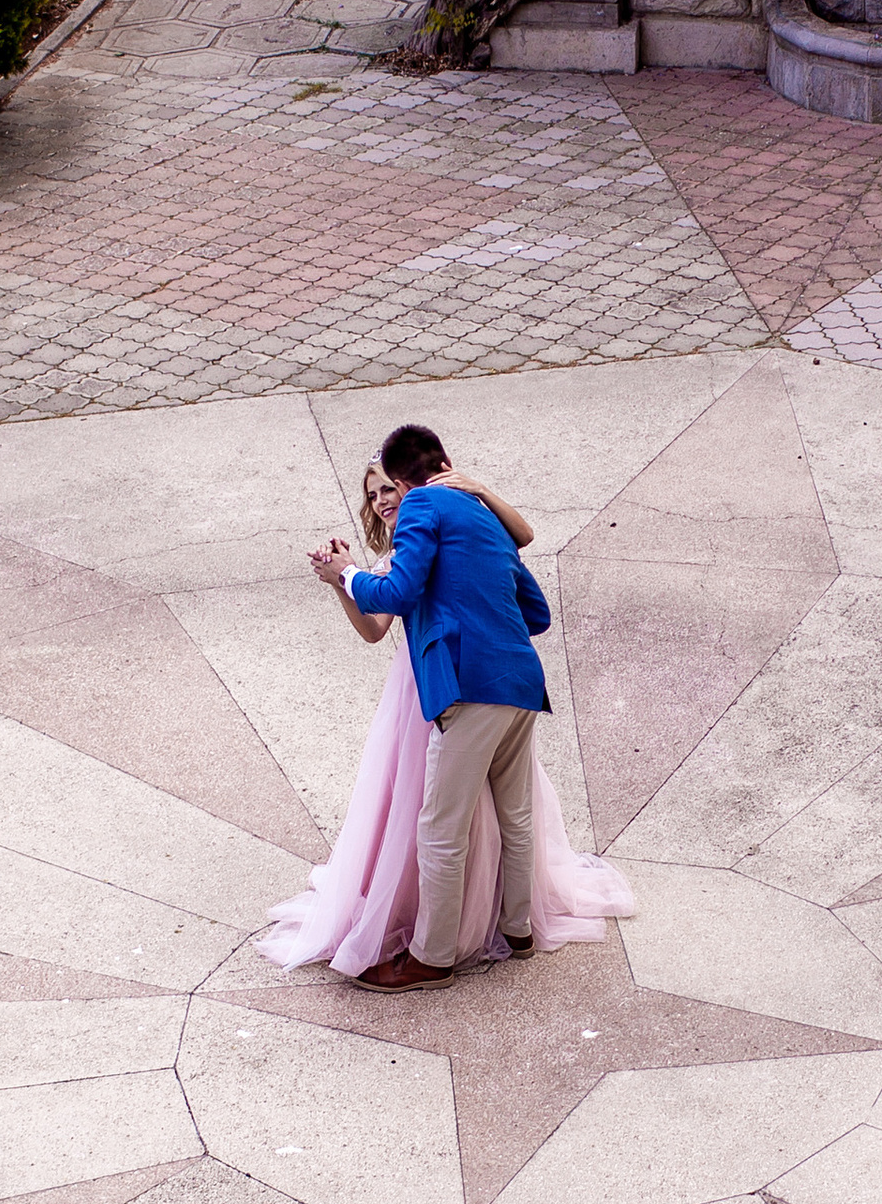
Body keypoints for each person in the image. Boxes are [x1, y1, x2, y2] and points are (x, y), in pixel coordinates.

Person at [264, 423, 633, 988]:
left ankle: (431, 957)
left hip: (466, 686)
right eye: (373, 495)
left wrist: (348, 573)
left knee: (439, 828)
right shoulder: (479, 520)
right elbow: (535, 612)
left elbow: (398, 595)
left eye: (388, 487)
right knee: (516, 815)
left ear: (406, 481)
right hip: (518, 683)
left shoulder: (423, 508)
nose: (385, 501)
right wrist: (356, 583)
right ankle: (518, 930)